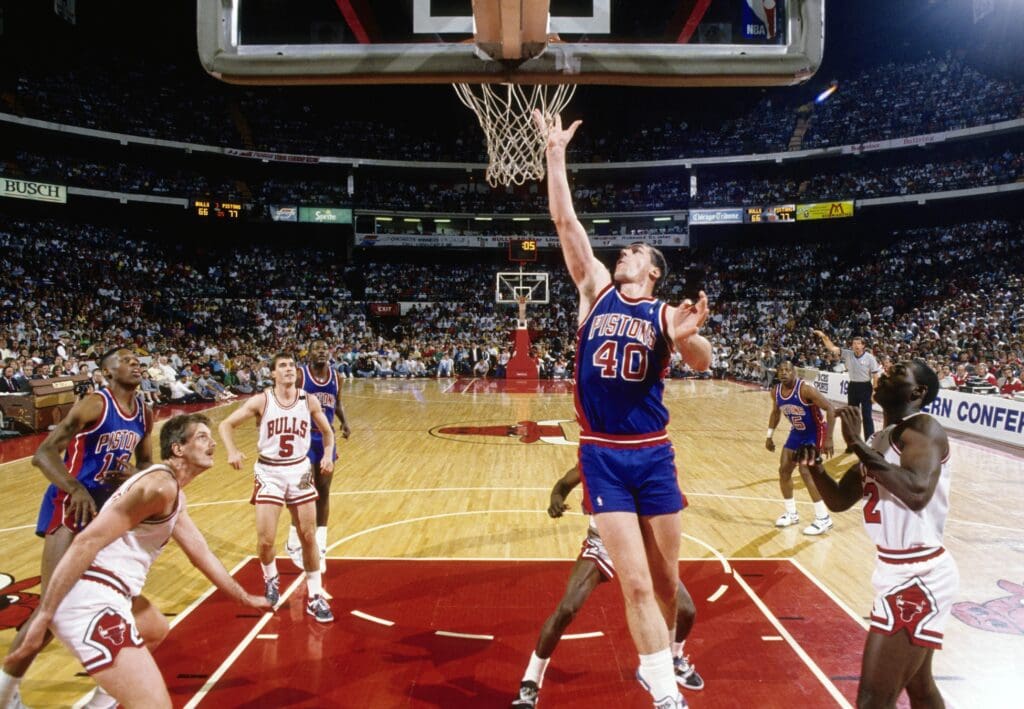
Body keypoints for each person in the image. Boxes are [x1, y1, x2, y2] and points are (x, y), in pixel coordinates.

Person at [538, 111, 711, 709]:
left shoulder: (664, 313)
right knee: (634, 581)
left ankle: (663, 663)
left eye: (634, 250)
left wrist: (689, 336)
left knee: (666, 587)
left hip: (653, 456)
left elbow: (704, 360)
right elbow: (565, 220)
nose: (623, 252)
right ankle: (667, 697)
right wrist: (555, 155)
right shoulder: (594, 290)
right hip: (604, 456)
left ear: (654, 271)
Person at [0, 414, 270, 709]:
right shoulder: (159, 487)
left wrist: (242, 597)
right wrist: (44, 616)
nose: (213, 443)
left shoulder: (172, 492)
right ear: (178, 449)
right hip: (90, 597)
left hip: (109, 590)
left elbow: (200, 552)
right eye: (203, 437)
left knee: (154, 627)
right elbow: (86, 541)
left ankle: (97, 706)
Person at [798, 359, 958, 708]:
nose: (884, 373)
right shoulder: (880, 438)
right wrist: (816, 471)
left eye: (897, 373)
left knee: (872, 701)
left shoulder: (924, 429)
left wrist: (856, 444)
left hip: (920, 573)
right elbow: (841, 500)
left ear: (918, 392)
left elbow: (917, 492)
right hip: (895, 569)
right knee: (920, 687)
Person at [0, 348, 153, 708]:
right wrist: (75, 487)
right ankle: (6, 691)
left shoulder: (144, 412)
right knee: (51, 608)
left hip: (106, 512)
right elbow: (44, 453)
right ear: (107, 372)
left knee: (115, 603)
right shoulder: (94, 405)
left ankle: (108, 692)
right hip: (69, 505)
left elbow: (146, 464)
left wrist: (133, 476)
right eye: (126, 359)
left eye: (138, 359)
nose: (135, 363)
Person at [511, 466, 703, 709]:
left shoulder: (646, 463)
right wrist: (555, 499)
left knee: (686, 611)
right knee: (567, 609)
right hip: (602, 545)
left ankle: (673, 659)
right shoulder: (595, 458)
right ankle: (531, 681)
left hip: (641, 548)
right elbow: (562, 484)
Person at [218, 353, 336, 623]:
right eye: (282, 366)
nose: (288, 370)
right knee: (266, 540)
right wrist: (232, 451)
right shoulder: (262, 400)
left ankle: (315, 596)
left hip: (299, 470)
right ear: (272, 373)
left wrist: (328, 456)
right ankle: (271, 578)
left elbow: (328, 432)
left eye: (292, 366)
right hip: (270, 471)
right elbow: (226, 424)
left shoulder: (309, 399)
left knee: (308, 536)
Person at [285, 340, 352, 573]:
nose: (321, 352)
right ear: (309, 353)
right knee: (303, 492)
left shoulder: (337, 377)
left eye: (325, 349)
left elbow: (338, 403)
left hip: (325, 439)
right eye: (317, 349)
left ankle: (320, 548)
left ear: (330, 353)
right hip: (302, 440)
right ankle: (294, 542)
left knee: (323, 492)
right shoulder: (301, 376)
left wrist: (344, 423)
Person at [765, 361, 836, 535]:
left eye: (787, 370)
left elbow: (830, 408)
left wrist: (829, 438)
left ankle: (823, 518)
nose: (784, 373)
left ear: (794, 373)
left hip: (815, 432)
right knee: (784, 470)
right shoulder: (776, 392)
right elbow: (775, 413)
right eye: (781, 370)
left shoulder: (805, 389)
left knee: (806, 471)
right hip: (797, 432)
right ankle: (791, 513)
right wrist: (769, 435)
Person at [813, 331, 881, 439]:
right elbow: (832, 348)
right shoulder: (848, 353)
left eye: (858, 343)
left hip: (865, 387)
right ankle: (853, 441)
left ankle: (870, 441)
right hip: (853, 386)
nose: (856, 345)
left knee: (867, 416)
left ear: (863, 346)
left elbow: (875, 376)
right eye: (854, 343)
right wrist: (823, 336)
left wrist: (874, 392)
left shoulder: (869, 358)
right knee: (852, 415)